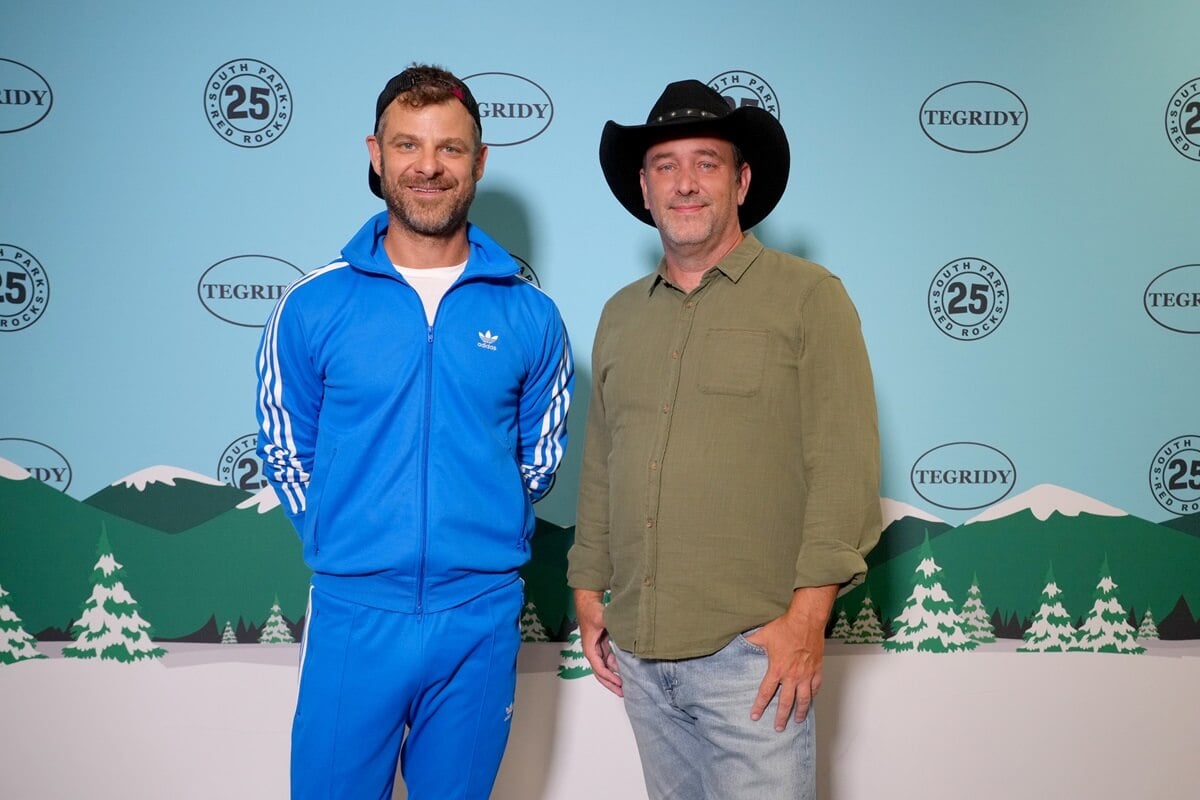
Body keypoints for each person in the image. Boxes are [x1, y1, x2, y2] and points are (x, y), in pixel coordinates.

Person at [255, 63, 574, 800]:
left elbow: (540, 454)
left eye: (450, 149)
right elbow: (282, 442)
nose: (427, 167)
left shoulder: (531, 316)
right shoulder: (314, 305)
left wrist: (478, 530)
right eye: (408, 145)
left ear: (480, 162)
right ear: (377, 154)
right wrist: (345, 540)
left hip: (479, 619)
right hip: (353, 616)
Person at [567, 79, 881, 799]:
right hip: (642, 654)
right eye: (666, 165)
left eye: (706, 162)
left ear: (741, 181)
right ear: (643, 188)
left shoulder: (809, 297)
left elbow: (842, 463)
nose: (685, 183)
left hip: (753, 657)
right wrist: (588, 588)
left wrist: (808, 619)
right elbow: (601, 463)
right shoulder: (620, 315)